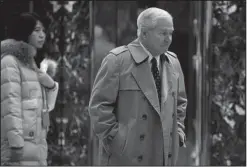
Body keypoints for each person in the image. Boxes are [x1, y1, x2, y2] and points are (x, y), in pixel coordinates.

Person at [89, 7, 187, 166]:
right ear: (144, 33)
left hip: (163, 156)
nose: (168, 39)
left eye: (171, 33)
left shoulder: (173, 62)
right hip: (126, 158)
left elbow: (180, 103)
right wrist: (117, 141)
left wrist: (178, 133)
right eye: (162, 33)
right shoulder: (117, 60)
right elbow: (99, 106)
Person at [1, 12, 59, 166]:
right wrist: (16, 144)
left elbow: (46, 106)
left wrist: (51, 86)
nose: (42, 35)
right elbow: (10, 106)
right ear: (24, 32)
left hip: (36, 146)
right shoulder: (10, 62)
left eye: (43, 31)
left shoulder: (30, 64)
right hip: (19, 148)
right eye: (37, 30)